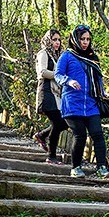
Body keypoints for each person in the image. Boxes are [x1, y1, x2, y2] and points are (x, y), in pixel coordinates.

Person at [54, 24, 109, 178]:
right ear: (75, 39)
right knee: (80, 135)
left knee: (98, 134)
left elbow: (98, 79)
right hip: (72, 103)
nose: (85, 42)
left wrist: (103, 94)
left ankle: (101, 168)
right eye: (82, 39)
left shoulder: (93, 58)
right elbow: (57, 75)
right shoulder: (66, 56)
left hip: (91, 104)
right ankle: (76, 168)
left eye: (88, 39)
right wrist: (68, 80)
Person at [33, 29, 68, 165]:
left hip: (57, 93)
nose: (57, 42)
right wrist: (59, 75)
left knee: (63, 123)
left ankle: (42, 135)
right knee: (58, 122)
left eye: (59, 39)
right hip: (46, 91)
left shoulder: (60, 55)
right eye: (54, 39)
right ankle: (51, 156)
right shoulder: (43, 54)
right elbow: (42, 72)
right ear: (48, 40)